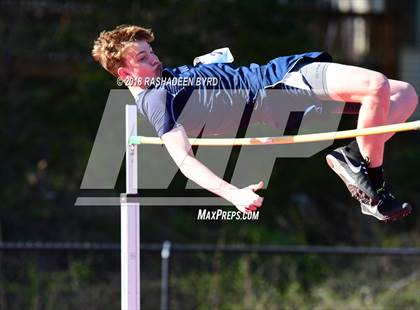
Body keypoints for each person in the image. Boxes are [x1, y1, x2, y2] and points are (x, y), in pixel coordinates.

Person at [91, 25, 418, 221]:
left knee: (403, 96)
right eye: (143, 59)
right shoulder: (156, 98)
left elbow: (208, 92)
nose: (155, 59)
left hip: (284, 92)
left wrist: (206, 65)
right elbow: (184, 160)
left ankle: (352, 160)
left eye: (151, 51)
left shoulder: (168, 80)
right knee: (376, 85)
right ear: (124, 74)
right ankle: (374, 186)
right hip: (280, 87)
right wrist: (231, 194)